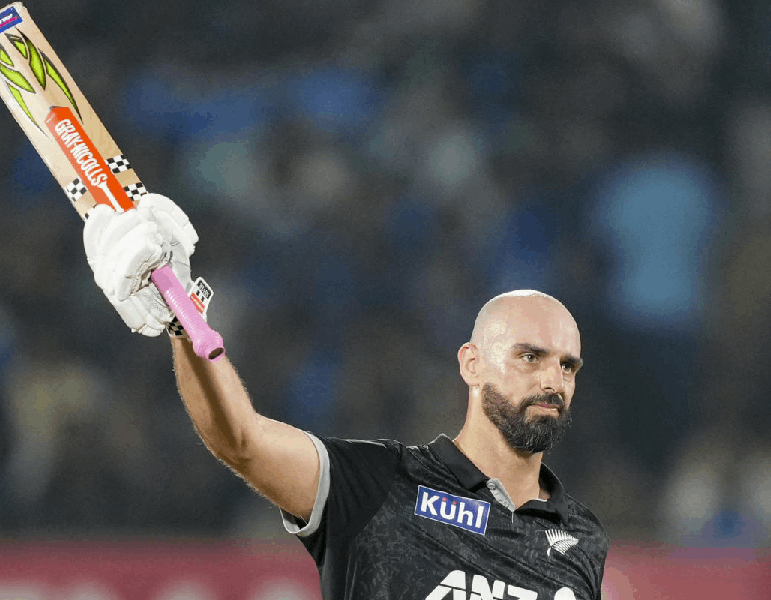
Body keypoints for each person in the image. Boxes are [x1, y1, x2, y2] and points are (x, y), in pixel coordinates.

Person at [83, 194, 609, 600]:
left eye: (568, 366)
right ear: (471, 363)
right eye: (530, 357)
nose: (552, 381)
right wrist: (184, 322)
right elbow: (240, 439)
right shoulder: (379, 485)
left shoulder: (582, 537)